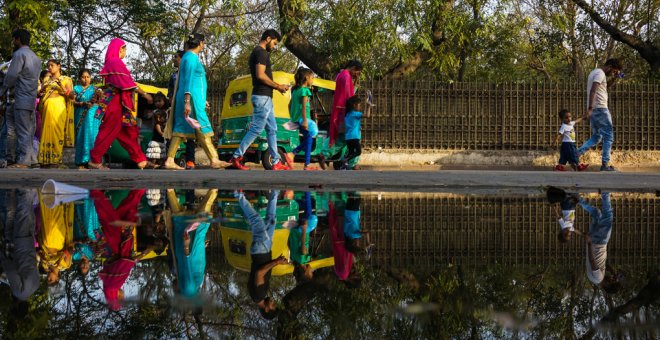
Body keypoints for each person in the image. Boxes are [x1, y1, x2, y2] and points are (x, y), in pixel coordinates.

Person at [88, 38, 154, 170]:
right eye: (125, 49)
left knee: (128, 132)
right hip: (115, 102)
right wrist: (144, 94)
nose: (125, 53)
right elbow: (127, 83)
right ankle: (95, 160)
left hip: (120, 103)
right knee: (108, 131)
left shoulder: (113, 62)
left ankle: (140, 160)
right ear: (120, 49)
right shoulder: (115, 62)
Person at [229, 30, 291, 171]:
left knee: (272, 129)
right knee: (257, 128)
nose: (274, 46)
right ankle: (236, 157)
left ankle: (276, 162)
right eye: (274, 43)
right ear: (268, 39)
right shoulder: (261, 53)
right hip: (262, 97)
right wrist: (278, 86)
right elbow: (260, 75)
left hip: (265, 97)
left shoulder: (258, 52)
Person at [163, 33, 224, 170]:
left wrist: (202, 99)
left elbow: (196, 82)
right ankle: (214, 159)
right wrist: (188, 101)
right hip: (191, 100)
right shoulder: (191, 58)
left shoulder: (188, 57)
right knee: (202, 127)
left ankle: (170, 160)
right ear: (201, 43)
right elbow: (188, 81)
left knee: (181, 129)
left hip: (193, 99)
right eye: (204, 42)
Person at [91, 189, 150, 310]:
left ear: (117, 298)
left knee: (109, 216)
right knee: (126, 212)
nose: (124, 296)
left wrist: (139, 256)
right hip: (114, 245)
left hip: (117, 244)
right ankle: (138, 189)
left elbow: (124, 264)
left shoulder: (114, 284)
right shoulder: (108, 284)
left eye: (122, 299)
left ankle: (96, 192)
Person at [237, 189, 287, 319]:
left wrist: (277, 262)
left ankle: (237, 194)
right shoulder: (258, 296)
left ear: (266, 309)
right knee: (271, 220)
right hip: (264, 249)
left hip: (260, 250)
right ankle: (274, 192)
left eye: (273, 306)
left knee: (256, 219)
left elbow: (259, 273)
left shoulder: (258, 295)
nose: (273, 303)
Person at [0, 29, 42, 168]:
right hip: (31, 97)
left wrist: (2, 90)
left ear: (17, 39)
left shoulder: (19, 54)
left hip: (20, 97)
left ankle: (24, 161)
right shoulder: (36, 57)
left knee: (22, 131)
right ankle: (33, 160)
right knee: (29, 130)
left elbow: (11, 76)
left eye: (14, 39)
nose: (13, 41)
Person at [577, 59, 623, 172]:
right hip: (600, 109)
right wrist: (590, 109)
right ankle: (605, 165)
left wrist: (615, 78)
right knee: (609, 136)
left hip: (596, 109)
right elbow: (593, 90)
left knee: (597, 137)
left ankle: (575, 154)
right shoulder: (600, 73)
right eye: (613, 71)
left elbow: (603, 88)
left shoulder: (595, 73)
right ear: (610, 66)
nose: (613, 73)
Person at [0, 189, 40, 305]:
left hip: (28, 245)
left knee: (25, 217)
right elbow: (11, 269)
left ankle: (23, 191)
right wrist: (2, 257)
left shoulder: (36, 286)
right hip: (19, 246)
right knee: (21, 214)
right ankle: (25, 189)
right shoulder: (19, 292)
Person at [324, 60, 363, 168]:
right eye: (358, 72)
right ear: (353, 68)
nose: (357, 75)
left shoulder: (341, 75)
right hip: (345, 112)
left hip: (341, 111)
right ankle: (327, 154)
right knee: (348, 137)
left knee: (342, 137)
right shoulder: (346, 77)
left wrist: (355, 82)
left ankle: (343, 160)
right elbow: (349, 98)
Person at [37, 59, 75, 168]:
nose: (49, 67)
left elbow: (72, 96)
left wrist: (62, 87)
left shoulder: (66, 79)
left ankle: (56, 160)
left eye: (52, 65)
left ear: (59, 66)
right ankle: (44, 160)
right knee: (45, 133)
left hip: (59, 108)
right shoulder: (46, 79)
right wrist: (42, 89)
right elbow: (39, 93)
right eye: (48, 65)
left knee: (57, 133)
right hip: (46, 109)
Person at [581, 192, 622, 294]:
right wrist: (613, 272)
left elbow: (592, 260)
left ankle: (605, 193)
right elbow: (604, 265)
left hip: (599, 242)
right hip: (595, 240)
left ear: (608, 285)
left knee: (608, 216)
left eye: (612, 281)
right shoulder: (595, 279)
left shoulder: (599, 278)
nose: (612, 279)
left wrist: (589, 243)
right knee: (596, 213)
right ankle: (578, 200)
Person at [167, 50, 197, 170]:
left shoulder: (189, 73)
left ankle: (190, 160)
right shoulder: (173, 76)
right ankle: (170, 159)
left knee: (191, 133)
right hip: (177, 106)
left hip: (188, 105)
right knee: (174, 132)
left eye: (176, 57)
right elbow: (170, 92)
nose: (174, 59)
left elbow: (194, 88)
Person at [37, 192, 74, 286]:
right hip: (57, 237)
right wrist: (65, 254)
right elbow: (71, 249)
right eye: (51, 280)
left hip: (45, 234)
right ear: (57, 279)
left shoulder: (45, 265)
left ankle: (47, 188)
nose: (48, 277)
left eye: (47, 279)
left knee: (46, 206)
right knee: (57, 209)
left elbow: (38, 252)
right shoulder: (65, 265)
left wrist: (42, 256)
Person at [289, 68, 320, 170]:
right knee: (311, 135)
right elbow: (303, 106)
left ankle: (295, 155)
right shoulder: (304, 90)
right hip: (303, 119)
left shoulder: (295, 91)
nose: (312, 80)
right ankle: (304, 162)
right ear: (307, 78)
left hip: (296, 119)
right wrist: (305, 120)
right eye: (312, 78)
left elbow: (289, 105)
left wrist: (293, 116)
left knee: (309, 138)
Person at [73, 69, 102, 168]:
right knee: (81, 137)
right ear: (79, 78)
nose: (85, 79)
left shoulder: (95, 89)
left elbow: (101, 103)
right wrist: (82, 103)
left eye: (87, 77)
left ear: (91, 78)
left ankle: (92, 160)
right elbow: (73, 102)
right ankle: (81, 162)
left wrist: (100, 95)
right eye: (83, 77)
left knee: (92, 136)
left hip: (93, 118)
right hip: (80, 115)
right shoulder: (76, 88)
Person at [342, 95, 371, 170]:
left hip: (348, 137)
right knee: (358, 152)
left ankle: (345, 162)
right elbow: (367, 115)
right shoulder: (355, 114)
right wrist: (368, 106)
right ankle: (345, 160)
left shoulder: (347, 114)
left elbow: (352, 124)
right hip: (354, 137)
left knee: (351, 152)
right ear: (354, 105)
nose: (360, 107)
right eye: (359, 105)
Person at [146, 92, 168, 166]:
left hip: (164, 131)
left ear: (164, 101)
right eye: (156, 102)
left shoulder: (167, 111)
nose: (158, 103)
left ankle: (161, 163)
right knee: (154, 149)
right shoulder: (154, 111)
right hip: (156, 132)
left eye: (159, 101)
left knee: (162, 149)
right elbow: (149, 117)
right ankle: (153, 163)